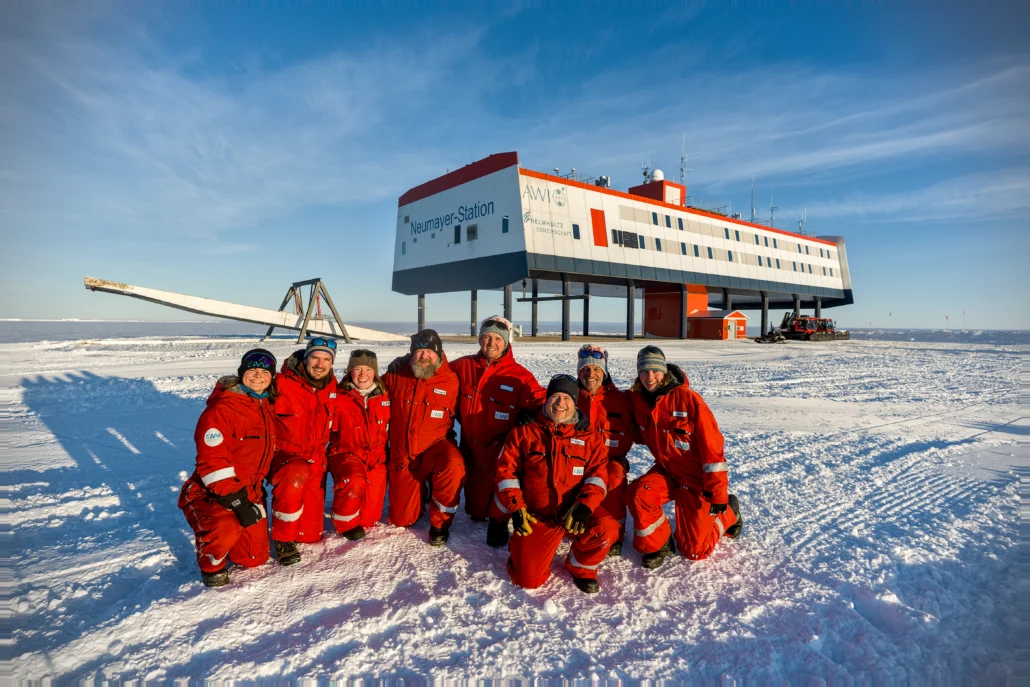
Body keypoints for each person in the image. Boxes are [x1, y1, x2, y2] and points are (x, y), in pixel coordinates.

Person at [494, 374, 616, 594]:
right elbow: (505, 472)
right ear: (546, 399)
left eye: (567, 398)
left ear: (575, 402)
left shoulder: (590, 437)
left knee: (606, 528)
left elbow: (598, 476)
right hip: (538, 515)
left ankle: (581, 567)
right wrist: (516, 507)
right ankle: (523, 546)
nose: (561, 403)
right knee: (528, 580)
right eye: (555, 397)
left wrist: (585, 506)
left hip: (572, 511)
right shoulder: (524, 432)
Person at [625, 346, 743, 569]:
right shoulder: (637, 400)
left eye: (655, 371)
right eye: (644, 372)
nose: (650, 377)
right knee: (639, 493)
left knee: (695, 551)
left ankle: (730, 512)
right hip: (667, 471)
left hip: (695, 479)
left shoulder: (688, 400)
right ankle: (660, 544)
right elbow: (608, 403)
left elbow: (713, 450)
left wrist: (717, 494)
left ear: (664, 371)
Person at [178, 349, 278, 587]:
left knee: (254, 559)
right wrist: (239, 504)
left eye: (264, 372)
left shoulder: (265, 405)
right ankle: (210, 564)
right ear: (241, 372)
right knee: (225, 528)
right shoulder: (221, 410)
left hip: (251, 491)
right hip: (212, 493)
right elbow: (213, 464)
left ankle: (236, 536)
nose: (257, 376)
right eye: (252, 370)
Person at [451, 316, 544, 547]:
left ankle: (500, 520)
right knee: (476, 512)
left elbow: (544, 401)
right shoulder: (463, 366)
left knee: (502, 487)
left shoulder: (519, 375)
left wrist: (532, 414)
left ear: (506, 342)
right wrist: (404, 360)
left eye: (496, 338)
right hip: (472, 449)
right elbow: (434, 370)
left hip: (500, 451)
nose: (490, 343)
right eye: (486, 337)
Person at [382, 329, 465, 546]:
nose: (424, 356)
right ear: (411, 355)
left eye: (429, 352)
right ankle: (421, 490)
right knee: (402, 519)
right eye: (419, 352)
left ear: (439, 354)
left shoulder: (452, 380)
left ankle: (440, 524)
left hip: (435, 447)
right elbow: (365, 387)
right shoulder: (395, 376)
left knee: (453, 464)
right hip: (404, 453)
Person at [267, 337, 339, 565]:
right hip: (284, 456)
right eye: (315, 358)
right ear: (305, 358)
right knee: (295, 475)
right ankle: (282, 539)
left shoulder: (333, 387)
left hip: (316, 459)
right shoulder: (279, 384)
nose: (320, 364)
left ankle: (294, 529)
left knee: (310, 536)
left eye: (326, 359)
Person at [575, 344, 638, 556]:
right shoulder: (568, 398)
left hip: (610, 460)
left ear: (605, 371)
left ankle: (615, 534)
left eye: (596, 370)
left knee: (614, 478)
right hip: (575, 461)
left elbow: (652, 414)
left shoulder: (623, 400)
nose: (590, 374)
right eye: (585, 369)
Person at [327, 349, 390, 540]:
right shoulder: (337, 396)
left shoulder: (385, 396)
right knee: (353, 481)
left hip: (376, 456)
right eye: (358, 369)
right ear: (350, 371)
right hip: (346, 453)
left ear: (375, 372)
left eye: (368, 369)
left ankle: (360, 514)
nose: (363, 374)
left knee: (370, 519)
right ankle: (344, 523)